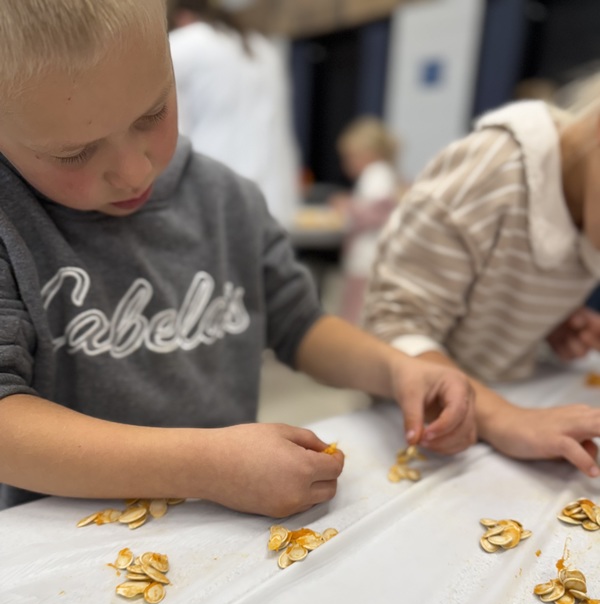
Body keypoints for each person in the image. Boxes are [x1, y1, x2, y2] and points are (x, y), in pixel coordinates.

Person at [0, 0, 476, 515]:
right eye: (75, 153)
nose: (134, 171)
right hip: (68, 543)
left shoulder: (228, 199)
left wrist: (394, 369)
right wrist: (204, 465)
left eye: (153, 114)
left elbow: (298, 322)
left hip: (229, 527)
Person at [363, 73, 600, 478]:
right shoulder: (493, 173)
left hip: (508, 407)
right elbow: (390, 326)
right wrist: (506, 419)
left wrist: (547, 323)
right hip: (415, 426)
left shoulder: (586, 197)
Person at [168, 0, 299, 228]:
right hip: (274, 199)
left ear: (182, 16)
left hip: (214, 195)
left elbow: (169, 128)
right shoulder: (264, 49)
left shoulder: (186, 44)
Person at [330, 116, 405, 324]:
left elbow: (377, 212)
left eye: (350, 157)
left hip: (366, 259)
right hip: (371, 259)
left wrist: (347, 207)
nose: (346, 164)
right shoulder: (385, 174)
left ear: (369, 153)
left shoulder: (376, 174)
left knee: (355, 313)